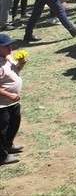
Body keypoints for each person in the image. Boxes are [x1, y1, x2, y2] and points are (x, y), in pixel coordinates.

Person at [0, 33, 25, 167]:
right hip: (2, 105)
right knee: (1, 130)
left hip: (13, 102)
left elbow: (16, 70)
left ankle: (8, 146)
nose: (10, 48)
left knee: (14, 123)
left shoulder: (8, 58)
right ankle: (1, 157)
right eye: (6, 46)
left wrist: (21, 63)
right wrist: (9, 95)